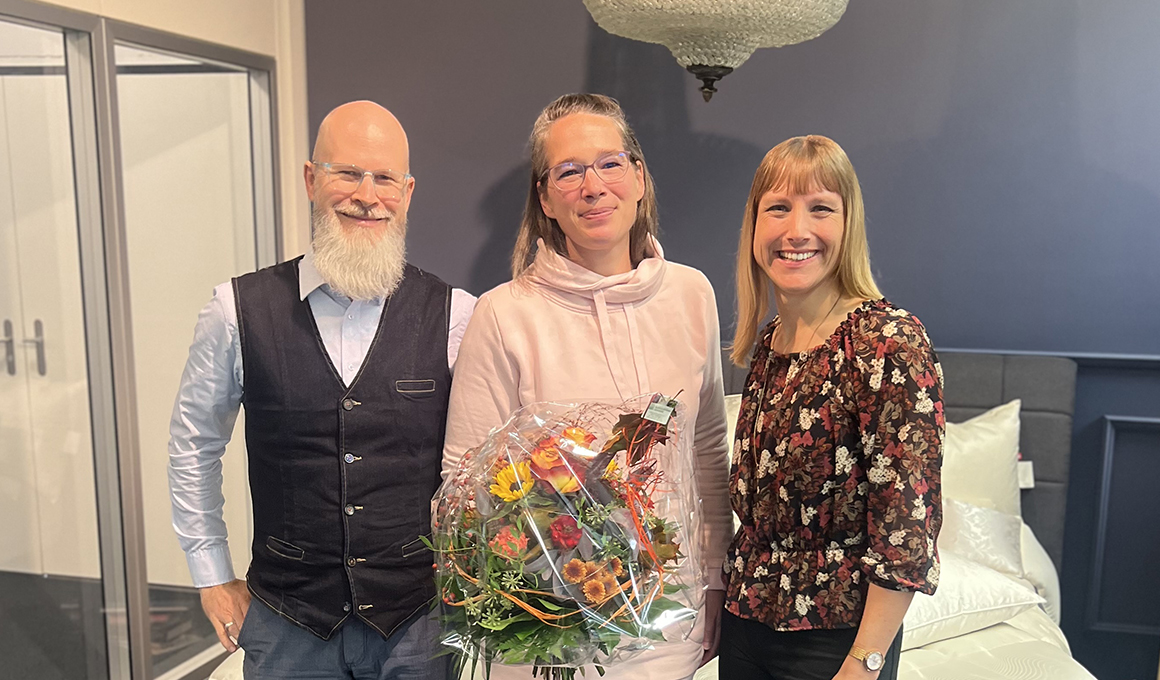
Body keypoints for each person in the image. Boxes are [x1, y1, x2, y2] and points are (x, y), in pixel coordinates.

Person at [167, 100, 475, 679]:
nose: (367, 194)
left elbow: (484, 466)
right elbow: (193, 447)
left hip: (419, 623)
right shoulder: (236, 310)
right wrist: (210, 573)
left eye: (384, 177)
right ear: (312, 180)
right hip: (287, 621)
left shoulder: (458, 315)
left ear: (407, 192)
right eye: (347, 173)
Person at [441, 93, 732, 680]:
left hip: (667, 626)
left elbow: (705, 453)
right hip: (544, 638)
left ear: (640, 177)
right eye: (569, 171)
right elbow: (462, 483)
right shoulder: (505, 314)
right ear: (545, 198)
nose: (593, 186)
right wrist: (529, 606)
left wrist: (715, 579)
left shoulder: (692, 294)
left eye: (609, 163)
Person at [720, 135, 944, 680]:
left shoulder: (886, 341)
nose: (797, 230)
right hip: (745, 626)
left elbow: (905, 525)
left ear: (848, 225)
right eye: (778, 208)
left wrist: (865, 663)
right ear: (755, 227)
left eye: (821, 208)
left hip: (837, 642)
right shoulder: (771, 342)